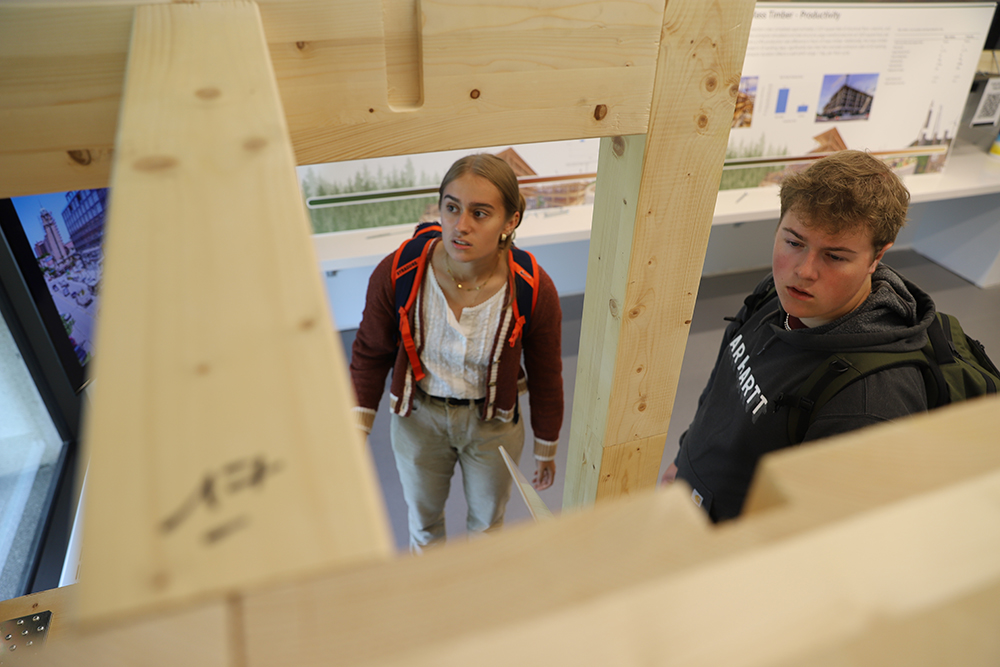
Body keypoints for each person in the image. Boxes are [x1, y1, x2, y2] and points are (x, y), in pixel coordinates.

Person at [661, 150, 933, 522]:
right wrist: (685, 460)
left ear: (876, 257)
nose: (803, 271)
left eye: (835, 257)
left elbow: (820, 536)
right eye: (793, 242)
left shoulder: (869, 402)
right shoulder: (776, 296)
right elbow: (724, 384)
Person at [350, 153, 564, 551]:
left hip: (492, 425)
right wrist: (355, 431)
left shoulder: (533, 288)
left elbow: (547, 372)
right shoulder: (399, 271)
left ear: (511, 221)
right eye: (452, 208)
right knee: (424, 523)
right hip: (419, 419)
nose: (460, 226)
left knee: (486, 528)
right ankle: (430, 603)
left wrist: (545, 446)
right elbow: (370, 352)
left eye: (480, 213)